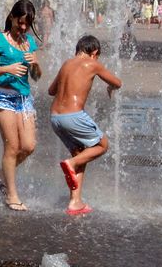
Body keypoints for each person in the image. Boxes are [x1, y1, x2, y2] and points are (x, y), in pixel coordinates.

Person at [48, 35, 122, 215]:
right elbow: (117, 82)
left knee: (82, 154)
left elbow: (51, 91)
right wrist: (110, 88)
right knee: (103, 145)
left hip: (55, 118)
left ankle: (75, 202)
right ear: (94, 52)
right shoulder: (92, 63)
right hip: (73, 116)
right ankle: (71, 164)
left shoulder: (66, 63)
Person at [0, 0, 42, 211]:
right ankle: (11, 195)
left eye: (27, 24)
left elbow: (36, 76)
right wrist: (7, 69)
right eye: (20, 23)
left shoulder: (29, 43)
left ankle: (0, 175)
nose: (23, 28)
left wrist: (34, 63)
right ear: (12, 18)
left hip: (24, 98)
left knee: (29, 146)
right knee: (13, 146)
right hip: (3, 97)